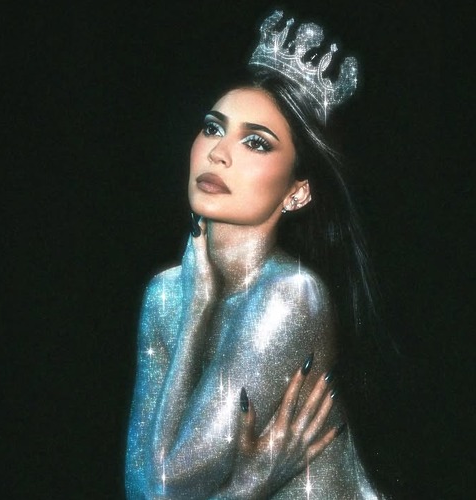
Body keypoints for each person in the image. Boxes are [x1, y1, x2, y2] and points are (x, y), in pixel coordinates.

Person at [126, 10, 382, 498]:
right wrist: (253, 482)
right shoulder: (165, 295)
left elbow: (163, 486)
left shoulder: (291, 296)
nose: (219, 153)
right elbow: (143, 491)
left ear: (297, 192)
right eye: (213, 128)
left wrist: (198, 309)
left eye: (256, 143)